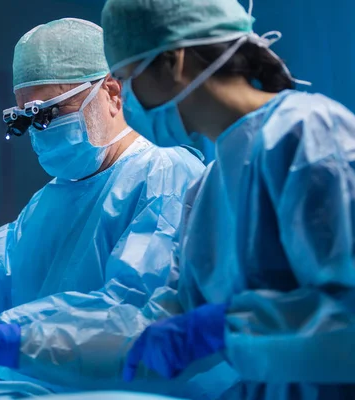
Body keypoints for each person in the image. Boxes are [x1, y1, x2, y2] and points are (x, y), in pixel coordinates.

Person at [0, 18, 208, 396]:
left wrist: (12, 337)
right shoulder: (48, 201)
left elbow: (133, 313)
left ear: (112, 94)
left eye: (49, 113)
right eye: (25, 120)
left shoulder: (166, 175)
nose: (38, 132)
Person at [101, 0, 355, 398]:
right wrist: (19, 341)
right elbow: (167, 320)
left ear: (173, 60)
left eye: (126, 77)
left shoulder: (309, 134)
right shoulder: (208, 188)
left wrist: (228, 329)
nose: (127, 100)